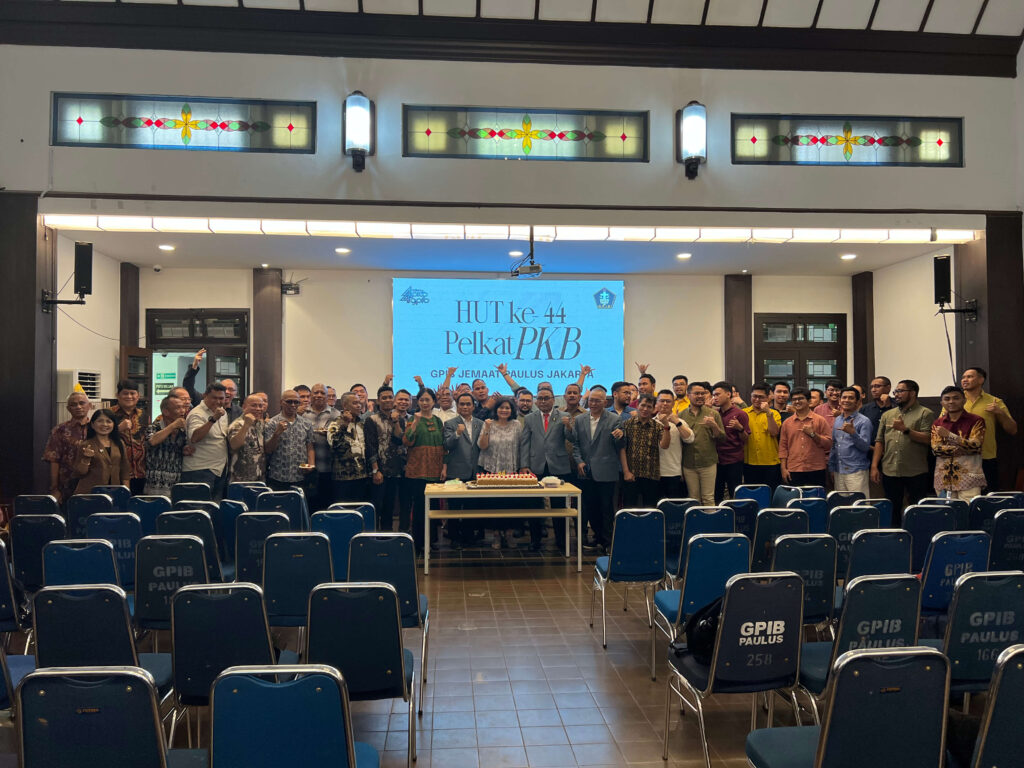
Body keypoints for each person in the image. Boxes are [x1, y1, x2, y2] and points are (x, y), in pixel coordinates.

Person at [570, 385, 625, 553]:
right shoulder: (580, 419)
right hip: (585, 471)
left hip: (606, 470)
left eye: (597, 401)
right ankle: (598, 537)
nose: (593, 403)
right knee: (591, 507)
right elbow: (576, 444)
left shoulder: (614, 419)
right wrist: (579, 461)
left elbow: (620, 445)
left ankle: (608, 542)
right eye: (591, 400)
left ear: (605, 402)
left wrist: (620, 436)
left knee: (606, 508)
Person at [519, 388, 575, 552]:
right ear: (536, 401)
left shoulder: (564, 416)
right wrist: (524, 465)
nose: (543, 401)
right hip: (535, 466)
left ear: (553, 400)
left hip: (558, 465)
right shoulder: (530, 418)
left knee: (559, 506)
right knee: (534, 505)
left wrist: (568, 427)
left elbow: (572, 438)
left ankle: (561, 541)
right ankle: (535, 540)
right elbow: (525, 443)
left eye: (546, 398)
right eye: (540, 398)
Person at [871, 379, 935, 521]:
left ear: (912, 393)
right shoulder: (888, 414)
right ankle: (895, 533)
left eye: (900, 391)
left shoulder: (925, 413)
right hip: (890, 469)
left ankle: (915, 532)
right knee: (892, 508)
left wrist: (905, 430)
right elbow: (879, 441)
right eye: (896, 391)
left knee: (916, 509)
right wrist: (874, 466)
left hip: (915, 470)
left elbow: (928, 439)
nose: (896, 394)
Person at [960, 366, 1018, 490]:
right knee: (961, 497)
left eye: (969, 377)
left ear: (981, 380)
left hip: (985, 457)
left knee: (986, 496)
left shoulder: (994, 401)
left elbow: (1013, 430)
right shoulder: (954, 401)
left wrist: (1000, 413)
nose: (965, 380)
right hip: (959, 457)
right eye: (963, 377)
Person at [403, 388, 446, 554]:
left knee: (433, 506)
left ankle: (432, 540)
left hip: (435, 469)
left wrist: (444, 466)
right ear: (418, 402)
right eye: (422, 400)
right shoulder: (412, 419)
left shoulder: (438, 421)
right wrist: (414, 424)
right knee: (420, 507)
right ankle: (419, 542)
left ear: (434, 402)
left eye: (428, 400)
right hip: (418, 469)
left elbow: (443, 446)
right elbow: (407, 441)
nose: (425, 403)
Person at [478, 397, 524, 549]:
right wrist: (486, 428)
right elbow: (482, 446)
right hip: (491, 469)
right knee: (494, 503)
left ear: (512, 410)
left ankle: (509, 534)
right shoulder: (488, 423)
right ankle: (496, 535)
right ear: (496, 409)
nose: (504, 410)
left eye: (507, 408)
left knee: (511, 504)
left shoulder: (517, 425)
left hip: (511, 470)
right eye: (501, 407)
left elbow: (522, 446)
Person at [443, 392, 484, 549]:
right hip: (456, 471)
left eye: (468, 404)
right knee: (454, 507)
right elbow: (447, 445)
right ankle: (454, 538)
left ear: (473, 406)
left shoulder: (480, 423)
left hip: (475, 472)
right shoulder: (450, 423)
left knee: (471, 507)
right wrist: (457, 433)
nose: (465, 407)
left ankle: (469, 536)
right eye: (462, 404)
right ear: (457, 406)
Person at [932, 385, 986, 500]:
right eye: (947, 399)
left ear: (964, 400)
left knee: (969, 509)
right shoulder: (937, 423)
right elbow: (936, 450)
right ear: (942, 403)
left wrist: (949, 436)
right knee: (946, 510)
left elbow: (975, 446)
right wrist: (962, 448)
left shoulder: (976, 421)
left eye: (956, 398)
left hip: (969, 477)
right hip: (943, 478)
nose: (951, 401)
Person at [364, 385, 407, 532]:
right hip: (379, 469)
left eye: (390, 397)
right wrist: (375, 470)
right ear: (378, 400)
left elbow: (399, 440)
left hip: (395, 469)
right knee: (376, 505)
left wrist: (396, 422)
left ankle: (387, 536)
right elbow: (370, 446)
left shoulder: (399, 419)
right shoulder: (372, 420)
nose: (387, 400)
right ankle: (373, 536)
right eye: (384, 398)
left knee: (389, 505)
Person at [619, 394, 671, 508]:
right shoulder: (626, 424)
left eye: (649, 406)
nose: (645, 409)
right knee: (629, 509)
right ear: (637, 405)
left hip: (651, 474)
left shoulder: (658, 426)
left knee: (650, 509)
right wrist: (626, 471)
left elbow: (665, 445)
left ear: (653, 409)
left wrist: (666, 426)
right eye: (643, 405)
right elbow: (622, 449)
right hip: (631, 474)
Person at [679, 381, 724, 506]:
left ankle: (710, 519)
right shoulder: (681, 415)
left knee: (708, 498)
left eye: (702, 393)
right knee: (693, 498)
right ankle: (695, 519)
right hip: (688, 464)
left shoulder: (713, 413)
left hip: (708, 462)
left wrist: (714, 426)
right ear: (688, 395)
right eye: (696, 393)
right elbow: (679, 442)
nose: (700, 396)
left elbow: (722, 438)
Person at [42, 391, 93, 505]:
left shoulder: (97, 428)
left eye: (82, 403)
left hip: (93, 485)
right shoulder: (60, 430)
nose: (78, 407)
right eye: (73, 404)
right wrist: (54, 488)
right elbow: (54, 459)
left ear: (89, 405)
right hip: (67, 486)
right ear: (68, 409)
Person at [181, 382, 230, 498]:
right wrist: (213, 419)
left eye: (221, 398)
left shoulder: (222, 412)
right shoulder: (197, 413)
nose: (218, 401)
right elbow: (194, 438)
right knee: (198, 506)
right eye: (214, 398)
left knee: (214, 507)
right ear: (205, 396)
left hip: (219, 469)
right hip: (199, 470)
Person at [778, 388, 832, 488]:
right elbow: (783, 447)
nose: (797, 401)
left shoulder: (820, 420)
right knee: (796, 497)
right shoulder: (787, 423)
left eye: (800, 398)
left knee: (815, 497)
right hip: (794, 469)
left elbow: (828, 444)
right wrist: (783, 469)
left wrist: (813, 434)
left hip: (816, 468)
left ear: (809, 401)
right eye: (794, 399)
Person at [264, 389, 315, 492]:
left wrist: (311, 464)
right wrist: (277, 434)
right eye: (289, 401)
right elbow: (268, 450)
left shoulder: (306, 423)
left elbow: (309, 446)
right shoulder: (272, 423)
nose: (293, 405)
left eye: (296, 402)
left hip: (300, 476)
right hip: (278, 476)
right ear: (281, 402)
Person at [71, 409, 131, 495]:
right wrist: (86, 459)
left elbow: (125, 470)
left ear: (114, 425)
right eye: (100, 421)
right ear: (92, 425)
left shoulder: (119, 443)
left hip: (114, 492)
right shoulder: (86, 444)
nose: (104, 424)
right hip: (90, 493)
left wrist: (126, 492)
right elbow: (79, 473)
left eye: (108, 421)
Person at [326, 392, 370, 504]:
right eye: (355, 403)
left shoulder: (362, 424)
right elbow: (334, 445)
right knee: (343, 510)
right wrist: (344, 425)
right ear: (345, 406)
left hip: (362, 476)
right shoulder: (335, 423)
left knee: (360, 509)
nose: (359, 405)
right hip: (343, 478)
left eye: (359, 403)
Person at [144, 395, 191, 497]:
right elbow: (152, 441)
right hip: (155, 484)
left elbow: (185, 449)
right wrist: (173, 425)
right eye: (178, 408)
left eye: (183, 407)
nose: (182, 411)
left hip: (176, 484)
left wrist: (186, 449)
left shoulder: (183, 430)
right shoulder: (154, 427)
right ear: (166, 411)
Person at [830, 387, 873, 496]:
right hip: (839, 470)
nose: (846, 400)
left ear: (857, 402)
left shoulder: (864, 421)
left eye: (851, 398)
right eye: (844, 397)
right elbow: (834, 445)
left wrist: (853, 433)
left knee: (859, 504)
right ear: (840, 400)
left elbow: (865, 447)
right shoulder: (838, 420)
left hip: (856, 471)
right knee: (842, 504)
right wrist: (832, 467)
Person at [711, 380, 749, 503]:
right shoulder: (714, 414)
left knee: (735, 494)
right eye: (713, 395)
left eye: (718, 394)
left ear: (728, 394)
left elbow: (746, 439)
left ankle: (736, 515)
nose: (715, 398)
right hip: (717, 460)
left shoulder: (740, 414)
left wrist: (740, 428)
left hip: (734, 460)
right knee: (717, 494)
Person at [303, 382, 339, 511]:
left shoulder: (336, 415)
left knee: (327, 507)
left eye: (322, 393)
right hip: (307, 470)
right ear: (311, 395)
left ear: (327, 396)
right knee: (310, 507)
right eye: (316, 392)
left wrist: (330, 434)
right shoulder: (302, 413)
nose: (319, 395)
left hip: (330, 469)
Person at [111, 380, 149, 495]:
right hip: (117, 471)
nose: (129, 396)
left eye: (132, 393)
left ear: (138, 396)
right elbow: (98, 437)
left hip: (141, 471)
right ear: (118, 395)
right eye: (125, 393)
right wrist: (118, 429)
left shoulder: (143, 414)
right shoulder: (108, 414)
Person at [654, 390, 694, 499]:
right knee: (656, 505)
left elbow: (690, 439)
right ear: (656, 403)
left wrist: (676, 422)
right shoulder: (651, 422)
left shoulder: (680, 422)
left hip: (673, 472)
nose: (665, 404)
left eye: (668, 401)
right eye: (662, 401)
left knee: (674, 505)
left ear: (673, 403)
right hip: (654, 472)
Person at [743, 383, 782, 490]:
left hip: (771, 462)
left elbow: (774, 432)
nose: (757, 399)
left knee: (770, 493)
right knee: (752, 494)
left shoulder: (774, 413)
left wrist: (768, 412)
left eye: (761, 397)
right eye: (754, 396)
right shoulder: (744, 413)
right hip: (749, 462)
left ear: (768, 398)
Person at [227, 394, 266, 483]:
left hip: (259, 477)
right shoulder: (237, 424)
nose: (258, 409)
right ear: (244, 407)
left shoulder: (260, 424)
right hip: (240, 479)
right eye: (254, 405)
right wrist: (246, 425)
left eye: (260, 406)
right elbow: (234, 446)